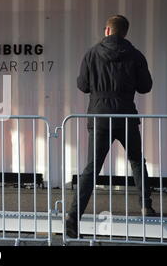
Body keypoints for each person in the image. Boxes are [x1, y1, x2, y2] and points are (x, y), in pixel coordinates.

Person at [66, 15, 157, 238]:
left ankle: (73, 217)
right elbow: (146, 86)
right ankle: (145, 205)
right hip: (126, 115)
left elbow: (83, 85)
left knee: (91, 168)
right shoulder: (136, 55)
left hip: (99, 117)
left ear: (107, 30)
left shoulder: (91, 53)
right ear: (124, 32)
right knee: (136, 160)